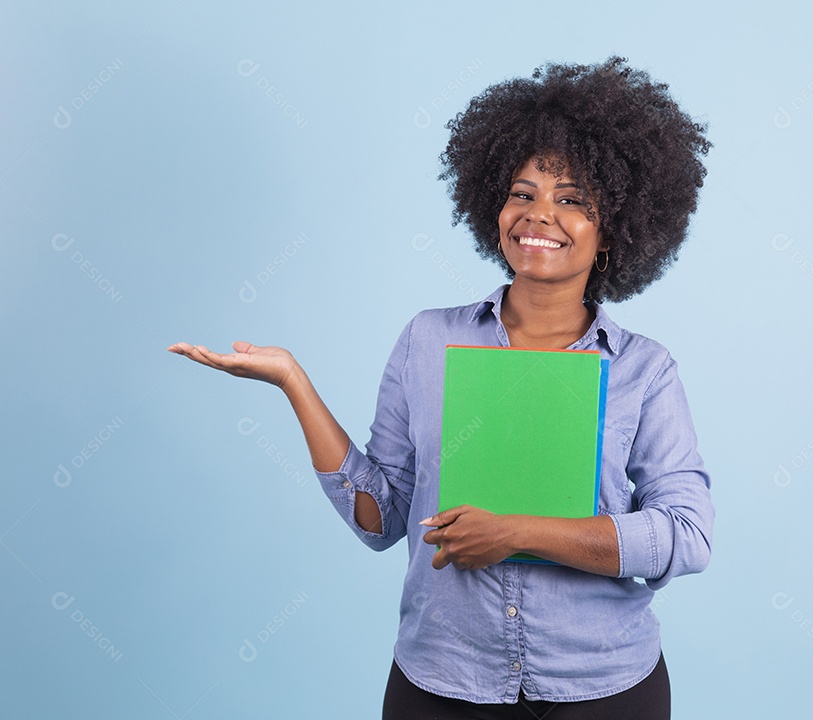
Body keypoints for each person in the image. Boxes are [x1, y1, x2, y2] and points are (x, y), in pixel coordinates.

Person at [168, 56, 714, 720]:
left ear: (613, 231)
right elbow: (381, 519)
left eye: (572, 199)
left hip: (602, 687)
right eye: (522, 193)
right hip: (444, 682)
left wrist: (518, 532)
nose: (539, 215)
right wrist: (293, 383)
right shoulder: (427, 342)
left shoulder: (642, 370)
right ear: (494, 205)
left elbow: (686, 534)